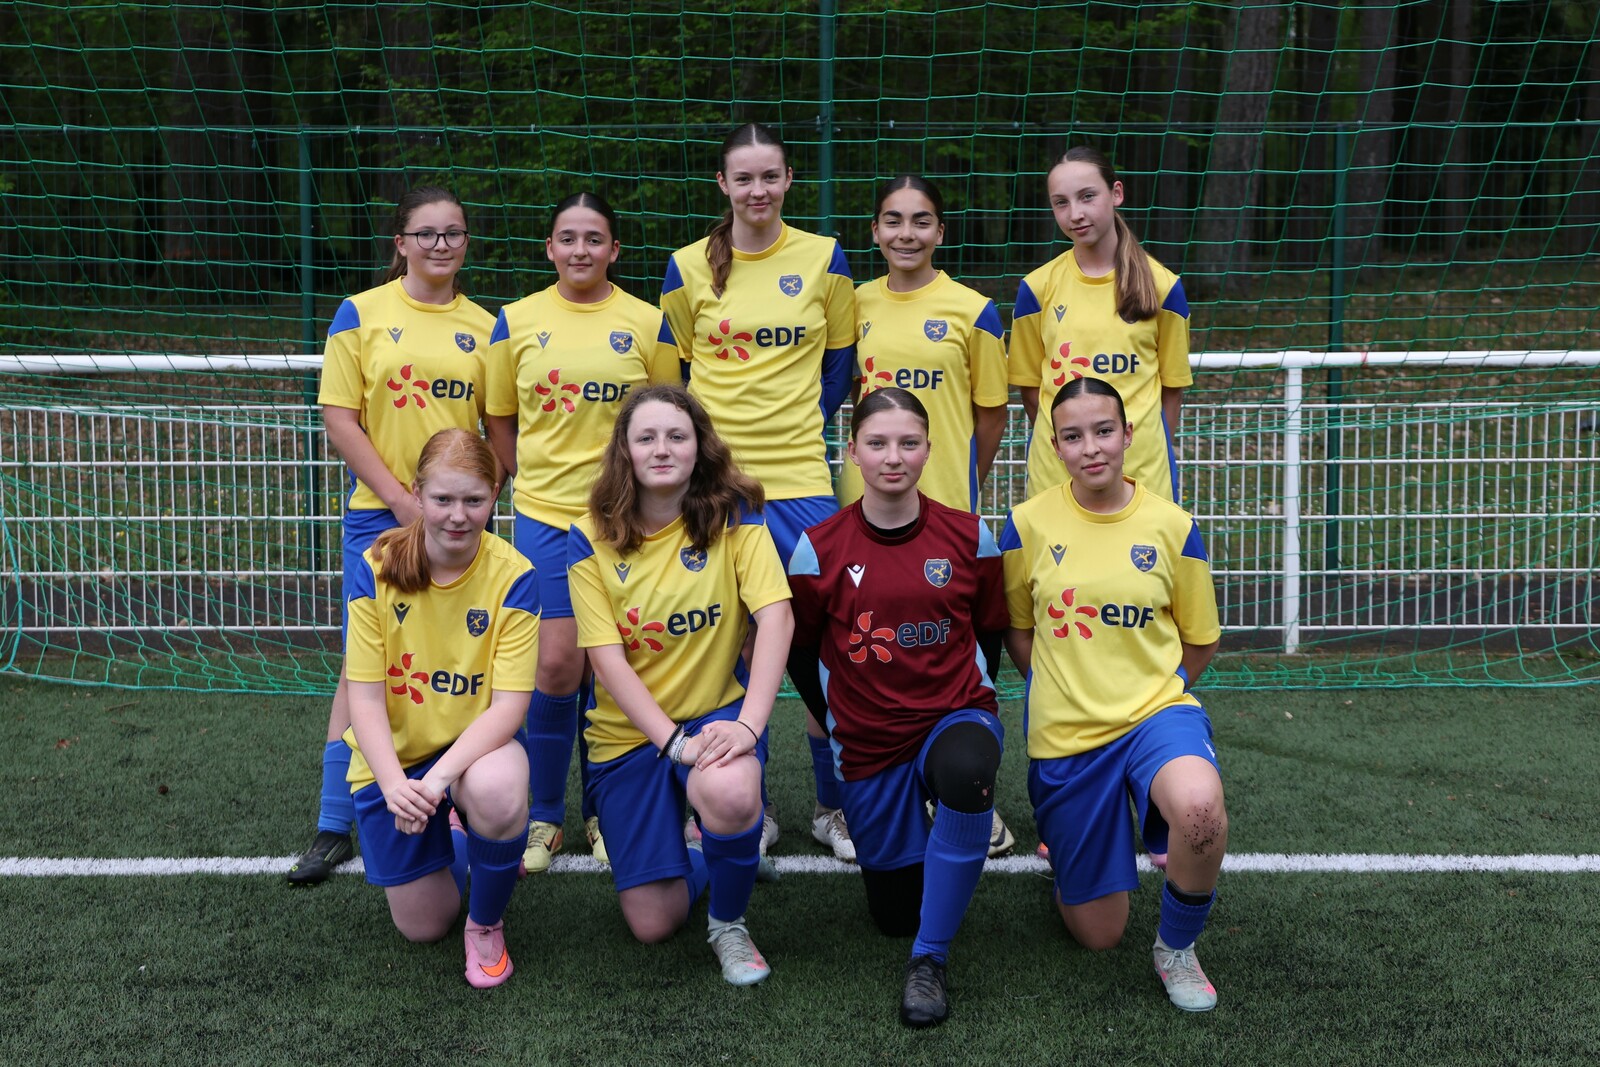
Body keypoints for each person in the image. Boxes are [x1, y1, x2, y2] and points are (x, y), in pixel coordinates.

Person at [660, 122, 858, 864]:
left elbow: (839, 367)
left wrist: (794, 423)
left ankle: (834, 808)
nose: (757, 190)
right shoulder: (686, 267)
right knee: (728, 646)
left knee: (823, 648)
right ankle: (753, 805)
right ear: (722, 184)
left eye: (770, 176)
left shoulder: (825, 258)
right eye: (743, 178)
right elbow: (676, 380)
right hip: (716, 489)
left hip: (802, 482)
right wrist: (711, 456)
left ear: (789, 179)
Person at [1000, 378, 1226, 1012]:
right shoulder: (1026, 525)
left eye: (1104, 431)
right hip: (1068, 735)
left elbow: (1201, 640)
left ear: (1128, 434)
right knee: (1099, 936)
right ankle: (1075, 854)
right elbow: (1019, 631)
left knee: (1201, 812)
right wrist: (1066, 687)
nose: (1091, 447)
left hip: (1155, 715)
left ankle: (1176, 948)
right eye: (1073, 436)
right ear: (1055, 446)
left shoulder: (1173, 526)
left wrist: (1155, 690)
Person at [289, 186, 494, 885]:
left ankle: (461, 797)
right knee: (365, 663)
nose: (441, 244)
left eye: (453, 232)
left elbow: (498, 431)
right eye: (426, 233)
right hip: (382, 518)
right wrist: (407, 504)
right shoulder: (361, 313)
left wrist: (470, 502)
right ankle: (333, 823)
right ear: (400, 243)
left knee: (467, 650)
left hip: (460, 520)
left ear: (466, 243)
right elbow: (340, 418)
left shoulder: (487, 326)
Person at [788, 388, 1008, 1028]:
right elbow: (801, 652)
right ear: (851, 451)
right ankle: (929, 844)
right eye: (877, 443)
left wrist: (971, 711)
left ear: (929, 450)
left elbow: (988, 635)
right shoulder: (818, 548)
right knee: (893, 914)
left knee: (967, 769)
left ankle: (929, 959)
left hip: (954, 715)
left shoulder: (970, 536)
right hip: (869, 739)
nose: (893, 457)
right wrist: (839, 719)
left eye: (908, 443)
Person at [567, 384, 794, 985]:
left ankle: (729, 924)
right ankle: (714, 857)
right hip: (629, 735)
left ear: (700, 447)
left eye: (677, 435)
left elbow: (776, 617)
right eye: (646, 437)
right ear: (625, 450)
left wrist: (748, 727)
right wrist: (672, 743)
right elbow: (606, 660)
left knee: (730, 790)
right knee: (653, 923)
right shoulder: (588, 535)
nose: (662, 449)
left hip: (714, 714)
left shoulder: (736, 515)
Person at [485, 191, 679, 875]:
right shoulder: (516, 321)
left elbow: (667, 416)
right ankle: (545, 815)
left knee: (614, 663)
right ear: (549, 248)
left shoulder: (648, 323)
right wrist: (528, 479)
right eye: (567, 238)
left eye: (594, 239)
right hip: (546, 518)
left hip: (625, 518)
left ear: (614, 250)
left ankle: (605, 811)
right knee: (555, 665)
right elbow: (500, 418)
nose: (580, 250)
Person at [837, 174, 1016, 860]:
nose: (906, 233)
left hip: (943, 513)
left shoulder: (974, 311)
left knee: (955, 655)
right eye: (893, 220)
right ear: (875, 231)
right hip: (865, 512)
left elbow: (990, 415)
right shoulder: (853, 304)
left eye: (920, 221)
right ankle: (861, 795)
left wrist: (960, 486)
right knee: (865, 653)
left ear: (941, 231)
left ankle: (963, 792)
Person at [343, 428, 538, 988]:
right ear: (417, 493)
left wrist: (437, 781)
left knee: (499, 790)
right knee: (425, 926)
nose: (458, 515)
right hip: (396, 761)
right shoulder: (376, 567)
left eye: (473, 500)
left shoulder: (516, 577)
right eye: (443, 499)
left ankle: (486, 924)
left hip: (473, 753)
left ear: (494, 496)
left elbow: (508, 709)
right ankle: (466, 835)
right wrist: (393, 784)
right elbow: (364, 696)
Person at [1009, 146, 1192, 505]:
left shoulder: (1163, 287)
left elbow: (1172, 389)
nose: (1075, 214)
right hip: (1057, 478)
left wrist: (1144, 448)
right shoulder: (1036, 288)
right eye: (1061, 203)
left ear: (1116, 193)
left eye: (1087, 196)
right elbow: (1030, 390)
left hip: (1142, 477)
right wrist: (1072, 444)